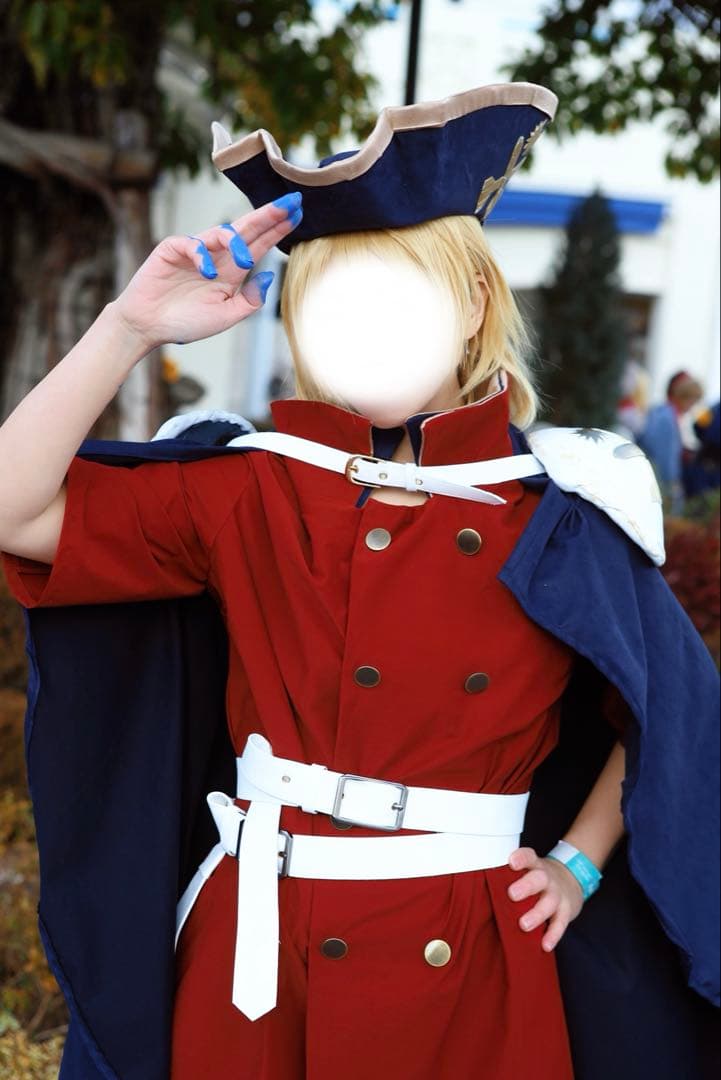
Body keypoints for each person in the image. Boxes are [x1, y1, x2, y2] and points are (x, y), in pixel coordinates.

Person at [0, 84, 718, 1080]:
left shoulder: (558, 510)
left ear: (472, 305)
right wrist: (128, 327)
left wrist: (578, 862)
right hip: (261, 951)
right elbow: (13, 510)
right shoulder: (251, 485)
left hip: (469, 951)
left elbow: (665, 710)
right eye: (335, 302)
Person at [639, 369, 704, 511]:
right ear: (687, 398)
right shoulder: (667, 419)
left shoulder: (662, 411)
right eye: (694, 402)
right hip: (657, 482)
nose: (692, 407)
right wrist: (673, 485)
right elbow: (665, 457)